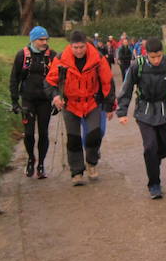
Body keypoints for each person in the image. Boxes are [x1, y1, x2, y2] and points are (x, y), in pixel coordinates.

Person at [116, 37, 166, 199]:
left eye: (159, 56)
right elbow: (127, 88)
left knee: (165, 146)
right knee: (150, 146)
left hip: (164, 110)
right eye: (153, 57)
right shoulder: (138, 65)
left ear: (162, 53)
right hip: (144, 111)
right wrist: (122, 112)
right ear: (147, 54)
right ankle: (154, 184)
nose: (156, 60)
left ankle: (153, 162)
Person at [45, 30, 116, 186]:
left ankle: (92, 162)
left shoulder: (97, 58)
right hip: (70, 104)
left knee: (94, 134)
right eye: (75, 47)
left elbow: (107, 82)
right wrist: (55, 96)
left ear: (86, 44)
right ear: (70, 46)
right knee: (74, 138)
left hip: (91, 102)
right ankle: (76, 172)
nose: (78, 50)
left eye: (81, 47)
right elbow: (50, 82)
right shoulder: (61, 59)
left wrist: (110, 105)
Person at [9, 25, 56, 179]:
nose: (44, 42)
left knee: (43, 133)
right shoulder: (22, 55)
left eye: (46, 39)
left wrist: (58, 99)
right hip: (28, 100)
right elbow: (14, 78)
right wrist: (15, 100)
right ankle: (31, 159)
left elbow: (59, 80)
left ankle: (41, 165)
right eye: (41, 39)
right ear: (33, 40)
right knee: (29, 133)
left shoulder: (52, 56)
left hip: (45, 100)